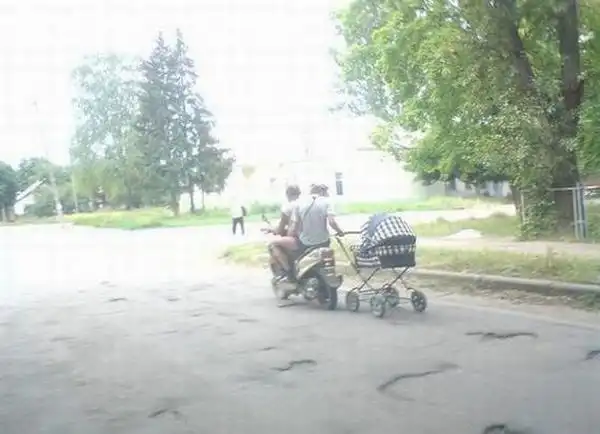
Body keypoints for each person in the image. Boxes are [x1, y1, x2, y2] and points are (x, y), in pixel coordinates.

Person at [282, 183, 344, 281]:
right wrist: (340, 232)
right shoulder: (327, 202)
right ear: (322, 191)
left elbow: (294, 227)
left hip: (305, 242)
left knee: (295, 256)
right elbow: (332, 222)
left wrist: (290, 235)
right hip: (323, 241)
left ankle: (294, 276)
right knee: (328, 259)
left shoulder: (299, 203)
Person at [266, 185, 301, 278]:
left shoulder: (288, 207)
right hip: (307, 237)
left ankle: (288, 271)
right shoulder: (303, 204)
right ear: (299, 194)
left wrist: (272, 230)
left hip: (297, 238)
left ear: (287, 194)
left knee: (272, 244)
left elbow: (280, 229)